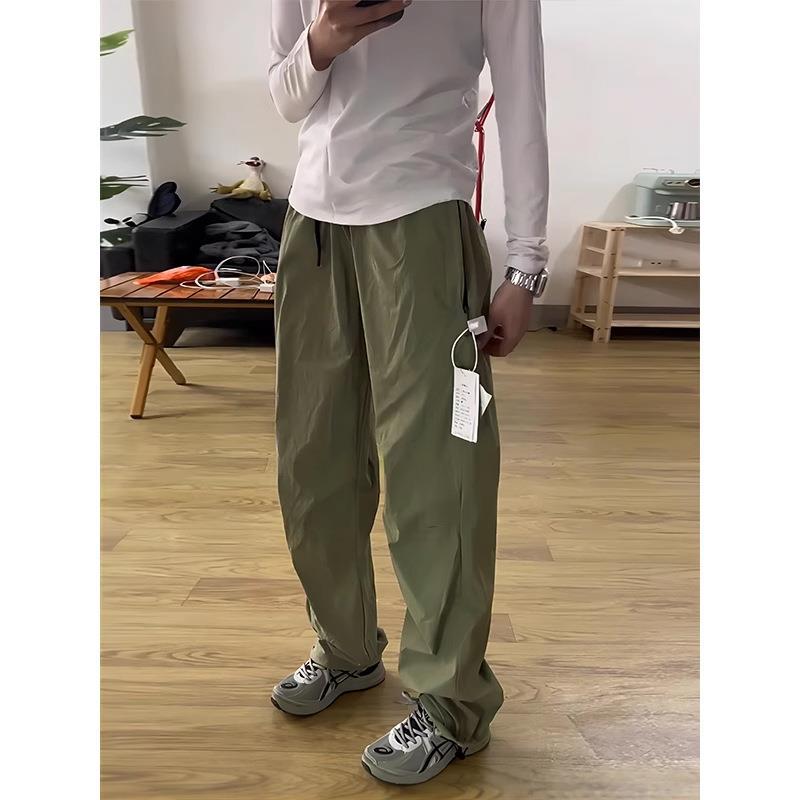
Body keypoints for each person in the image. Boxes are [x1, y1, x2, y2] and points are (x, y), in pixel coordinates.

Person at [267, 0, 548, 785]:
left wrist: (526, 264)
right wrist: (323, 40)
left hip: (421, 221)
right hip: (311, 226)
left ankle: (451, 701)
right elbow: (287, 96)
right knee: (311, 461)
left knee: (439, 473)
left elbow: (522, 96)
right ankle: (347, 647)